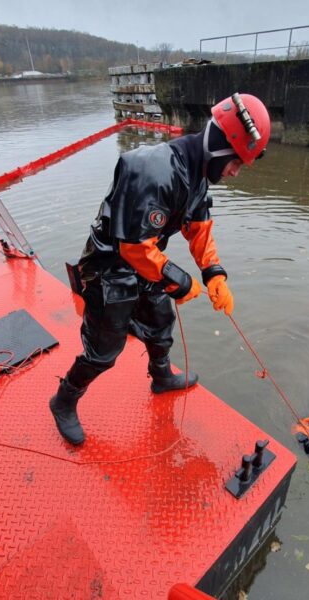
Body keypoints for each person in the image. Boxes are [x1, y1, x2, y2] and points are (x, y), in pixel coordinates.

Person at [49, 93, 271, 445]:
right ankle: (63, 400)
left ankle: (162, 375)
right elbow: (132, 246)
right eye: (236, 162)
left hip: (145, 262)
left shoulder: (197, 174)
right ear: (220, 145)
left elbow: (199, 227)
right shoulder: (156, 170)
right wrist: (180, 281)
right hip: (109, 266)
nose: (234, 172)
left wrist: (214, 273)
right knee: (104, 350)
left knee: (160, 319)